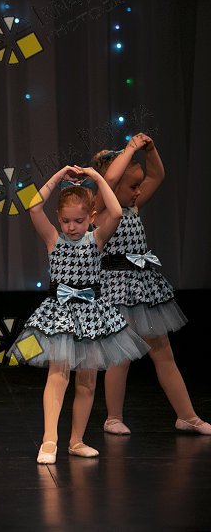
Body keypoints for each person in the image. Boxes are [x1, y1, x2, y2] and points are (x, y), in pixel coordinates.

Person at [8, 165, 149, 464]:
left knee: (87, 382)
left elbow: (116, 211)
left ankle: (77, 440)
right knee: (58, 375)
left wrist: (96, 177)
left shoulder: (96, 240)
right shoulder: (53, 240)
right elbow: (34, 207)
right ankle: (49, 440)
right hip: (60, 313)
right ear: (58, 218)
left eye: (79, 221)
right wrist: (59, 175)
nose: (71, 227)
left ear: (92, 217)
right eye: (66, 221)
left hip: (92, 315)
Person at [93, 134, 210, 435]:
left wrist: (151, 150)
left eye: (138, 186)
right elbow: (111, 178)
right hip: (116, 287)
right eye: (132, 186)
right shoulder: (100, 210)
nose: (138, 191)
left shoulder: (132, 206)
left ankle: (187, 416)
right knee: (121, 356)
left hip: (143, 286)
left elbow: (157, 175)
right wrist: (130, 148)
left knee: (163, 351)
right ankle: (113, 418)